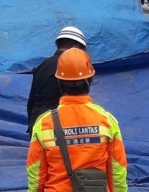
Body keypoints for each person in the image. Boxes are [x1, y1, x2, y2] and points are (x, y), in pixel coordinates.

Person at [27, 48, 128, 192]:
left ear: (59, 82)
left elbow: (36, 174)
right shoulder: (106, 121)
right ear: (90, 81)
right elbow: (117, 169)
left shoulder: (44, 124)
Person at [27, 26, 87, 134]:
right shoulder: (70, 67)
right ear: (76, 46)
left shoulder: (43, 66)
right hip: (56, 127)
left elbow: (31, 102)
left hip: (37, 124)